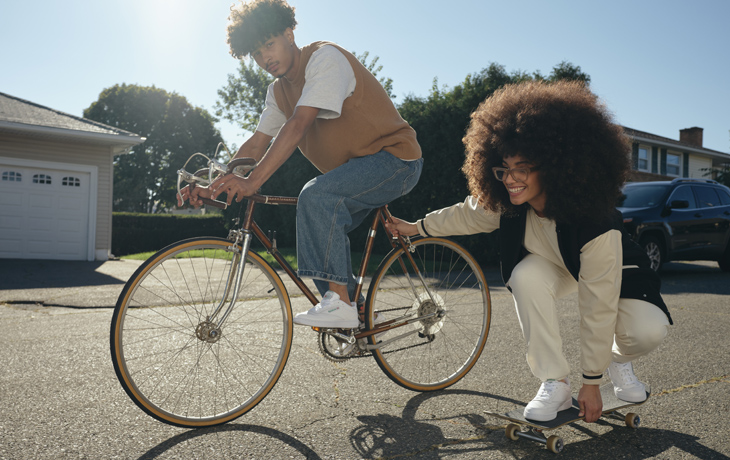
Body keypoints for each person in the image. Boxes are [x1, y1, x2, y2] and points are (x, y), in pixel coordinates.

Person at [385, 80, 672, 423]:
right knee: (525, 275)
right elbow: (468, 213)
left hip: (613, 271)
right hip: (557, 268)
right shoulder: (510, 201)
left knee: (647, 331)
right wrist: (415, 227)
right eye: (504, 168)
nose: (509, 178)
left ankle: (618, 361)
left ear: (554, 166)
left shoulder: (596, 224)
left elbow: (598, 306)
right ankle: (555, 382)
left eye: (522, 167)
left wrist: (592, 382)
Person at [178, 0, 422, 328]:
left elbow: (298, 125)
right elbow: (256, 142)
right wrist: (219, 183)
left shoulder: (324, 59)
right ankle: (358, 311)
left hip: (396, 161)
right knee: (314, 220)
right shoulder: (277, 92)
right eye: (256, 52)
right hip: (353, 173)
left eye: (269, 44)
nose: (265, 58)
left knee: (315, 198)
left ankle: (341, 307)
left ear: (289, 34)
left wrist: (252, 182)